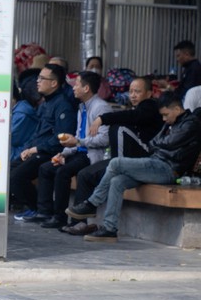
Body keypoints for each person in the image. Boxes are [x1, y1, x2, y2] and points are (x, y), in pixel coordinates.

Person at [64, 94, 201, 241]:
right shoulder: (170, 123)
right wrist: (160, 142)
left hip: (168, 169)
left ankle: (92, 203)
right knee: (117, 181)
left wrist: (159, 143)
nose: (164, 119)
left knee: (116, 163)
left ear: (177, 108)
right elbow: (153, 142)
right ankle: (110, 229)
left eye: (166, 115)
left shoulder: (191, 123)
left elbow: (169, 142)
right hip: (155, 163)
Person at [25, 71, 111, 226]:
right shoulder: (82, 107)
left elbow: (104, 139)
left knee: (63, 172)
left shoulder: (101, 108)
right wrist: (63, 153)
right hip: (79, 152)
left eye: (77, 84)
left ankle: (63, 218)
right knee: (47, 167)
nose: (73, 87)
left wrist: (78, 142)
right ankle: (46, 212)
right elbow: (77, 139)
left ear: (86, 88)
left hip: (92, 155)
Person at [7, 63, 74, 210]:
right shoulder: (45, 104)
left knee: (16, 177)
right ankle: (32, 207)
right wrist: (28, 148)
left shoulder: (63, 105)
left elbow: (61, 138)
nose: (37, 81)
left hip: (49, 152)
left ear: (54, 83)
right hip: (36, 150)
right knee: (6, 171)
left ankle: (38, 209)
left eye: (42, 78)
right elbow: (37, 133)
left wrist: (36, 149)